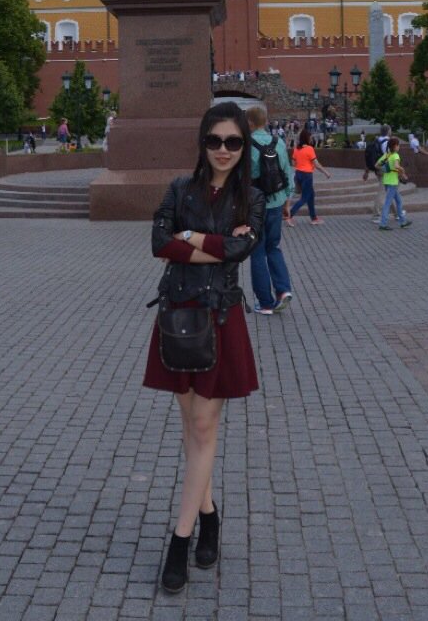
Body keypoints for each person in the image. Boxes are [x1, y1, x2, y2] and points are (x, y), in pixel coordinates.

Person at [143, 102, 265, 593]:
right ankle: (209, 513)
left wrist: (191, 236)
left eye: (232, 142)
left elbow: (242, 249)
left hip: (220, 316)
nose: (223, 150)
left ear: (244, 146)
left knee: (201, 426)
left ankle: (181, 538)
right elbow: (158, 241)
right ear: (202, 143)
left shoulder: (251, 198)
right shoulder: (180, 188)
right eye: (214, 140)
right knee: (192, 428)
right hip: (178, 314)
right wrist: (213, 243)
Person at [246, 105, 294, 315]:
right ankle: (283, 290)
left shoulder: (246, 144)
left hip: (254, 206)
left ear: (249, 122)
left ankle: (265, 302)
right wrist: (287, 201)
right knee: (273, 246)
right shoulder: (279, 142)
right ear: (265, 121)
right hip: (276, 202)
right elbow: (286, 173)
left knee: (257, 251)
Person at [288, 127, 331, 226]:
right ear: (306, 138)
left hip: (298, 174)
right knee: (304, 198)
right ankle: (289, 215)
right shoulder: (309, 149)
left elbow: (293, 162)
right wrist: (326, 172)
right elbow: (316, 164)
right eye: (310, 137)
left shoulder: (296, 149)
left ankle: (314, 218)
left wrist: (301, 164)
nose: (311, 139)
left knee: (311, 195)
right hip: (307, 175)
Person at [377, 137, 412, 231]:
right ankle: (383, 224)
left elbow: (376, 165)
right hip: (393, 182)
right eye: (398, 145)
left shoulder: (387, 155)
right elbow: (396, 166)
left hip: (386, 181)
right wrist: (402, 170)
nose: (399, 147)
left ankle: (403, 221)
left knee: (399, 201)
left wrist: (385, 169)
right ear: (395, 146)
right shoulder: (396, 155)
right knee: (388, 203)